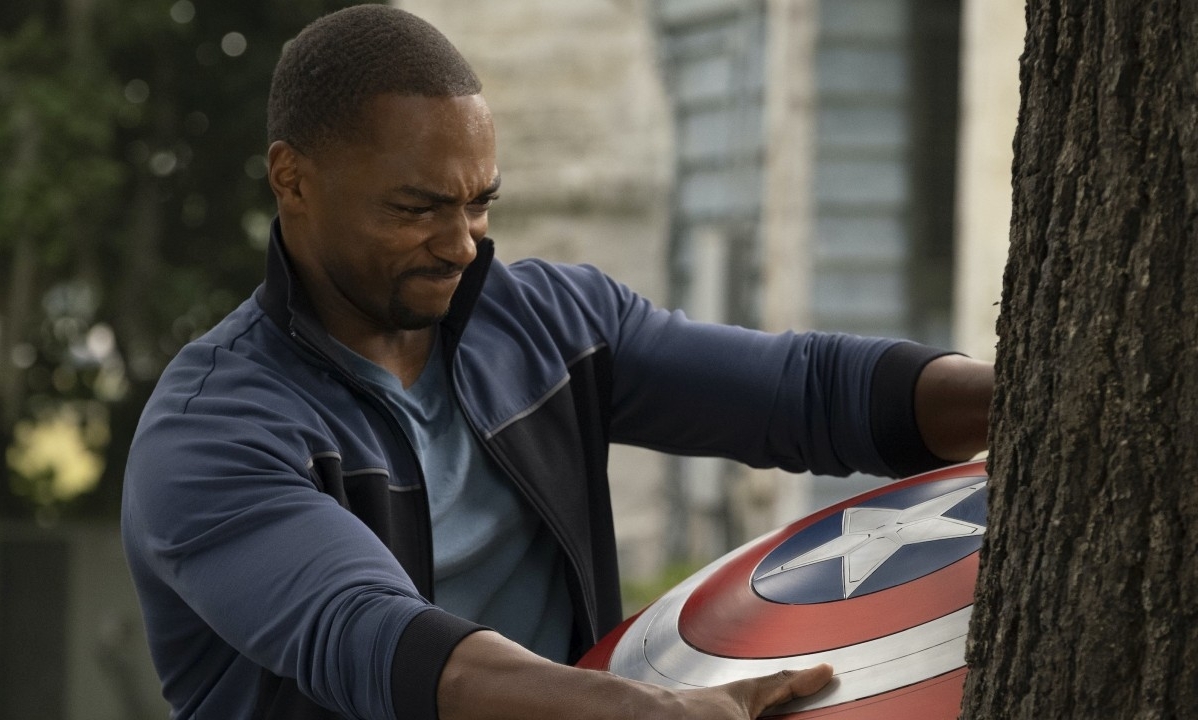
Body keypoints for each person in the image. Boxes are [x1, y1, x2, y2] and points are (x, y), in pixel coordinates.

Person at [121, 6, 993, 720]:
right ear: (292, 180)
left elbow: (810, 392)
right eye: (417, 208)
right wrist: (652, 712)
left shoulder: (549, 323)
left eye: (480, 202)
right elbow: (384, 645)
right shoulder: (212, 432)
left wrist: (1031, 402)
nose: (462, 244)